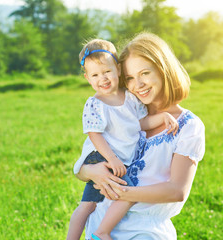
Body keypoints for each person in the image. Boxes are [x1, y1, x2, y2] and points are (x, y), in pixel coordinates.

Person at [74, 32, 206, 239]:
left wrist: (121, 192)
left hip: (145, 231)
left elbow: (176, 191)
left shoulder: (188, 126)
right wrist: (90, 172)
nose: (138, 84)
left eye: (145, 73)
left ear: (164, 70)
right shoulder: (120, 117)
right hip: (99, 224)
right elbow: (88, 164)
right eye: (130, 78)